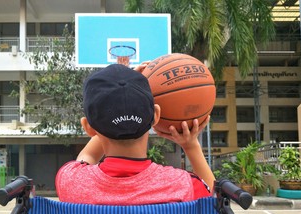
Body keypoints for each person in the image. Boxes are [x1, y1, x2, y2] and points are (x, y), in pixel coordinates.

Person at [55, 63, 215, 205]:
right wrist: (190, 145)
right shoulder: (182, 185)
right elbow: (213, 200)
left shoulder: (70, 180)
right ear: (156, 115)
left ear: (88, 127)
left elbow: (87, 156)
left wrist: (119, 94)